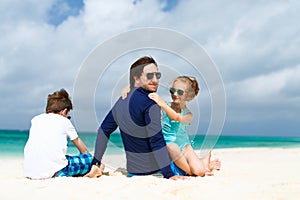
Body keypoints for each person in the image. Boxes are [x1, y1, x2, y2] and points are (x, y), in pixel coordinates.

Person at [85, 56, 186, 180]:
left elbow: (103, 131)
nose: (155, 80)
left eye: (157, 75)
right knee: (188, 159)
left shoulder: (121, 101)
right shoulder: (151, 102)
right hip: (156, 169)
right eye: (149, 76)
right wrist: (169, 174)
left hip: (133, 172)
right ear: (136, 78)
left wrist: (96, 162)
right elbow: (156, 140)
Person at [148, 76, 221, 176]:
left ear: (188, 95)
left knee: (199, 170)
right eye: (172, 90)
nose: (175, 94)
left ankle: (204, 164)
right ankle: (202, 167)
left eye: (180, 92)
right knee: (173, 147)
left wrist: (163, 105)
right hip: (170, 145)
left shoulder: (188, 115)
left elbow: (176, 118)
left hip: (185, 147)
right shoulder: (165, 105)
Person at [24, 89, 103, 179]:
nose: (67, 118)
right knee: (94, 160)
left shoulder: (35, 120)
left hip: (30, 172)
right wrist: (88, 158)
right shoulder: (64, 121)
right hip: (56, 171)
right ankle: (96, 168)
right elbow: (83, 150)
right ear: (64, 111)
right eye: (68, 116)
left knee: (61, 158)